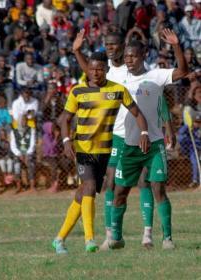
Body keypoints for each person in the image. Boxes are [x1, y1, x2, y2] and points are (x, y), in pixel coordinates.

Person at [52, 50, 149, 254]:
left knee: (82, 195)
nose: (95, 72)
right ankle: (89, 240)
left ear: (106, 70)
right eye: (92, 69)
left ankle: (59, 239)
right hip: (83, 149)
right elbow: (65, 119)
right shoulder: (77, 91)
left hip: (105, 150)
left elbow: (137, 113)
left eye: (100, 69)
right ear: (87, 69)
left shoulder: (118, 90)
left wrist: (144, 132)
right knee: (89, 187)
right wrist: (66, 139)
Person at [107, 30, 188, 250]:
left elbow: (182, 71)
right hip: (128, 144)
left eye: (133, 56)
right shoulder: (117, 77)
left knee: (158, 189)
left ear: (143, 55)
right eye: (126, 56)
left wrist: (177, 46)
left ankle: (167, 238)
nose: (129, 60)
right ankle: (115, 236)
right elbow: (93, 76)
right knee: (120, 191)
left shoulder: (155, 76)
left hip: (154, 145)